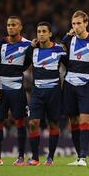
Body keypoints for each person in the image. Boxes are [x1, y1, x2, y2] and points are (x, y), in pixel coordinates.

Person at [0, 16, 31, 166]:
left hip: (17, 89)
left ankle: (20, 158)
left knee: (20, 121)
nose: (10, 27)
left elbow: (30, 63)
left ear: (20, 27)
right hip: (1, 88)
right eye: (8, 25)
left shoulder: (28, 45)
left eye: (13, 25)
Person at [62, 10, 89, 167]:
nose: (76, 26)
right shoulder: (68, 39)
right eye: (73, 23)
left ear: (86, 23)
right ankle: (79, 156)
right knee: (73, 120)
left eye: (79, 23)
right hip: (69, 84)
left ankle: (84, 157)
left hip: (85, 85)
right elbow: (61, 56)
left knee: (85, 119)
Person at [25, 22, 67, 166]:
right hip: (37, 92)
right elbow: (24, 65)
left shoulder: (60, 50)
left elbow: (71, 66)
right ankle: (35, 157)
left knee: (53, 124)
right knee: (33, 123)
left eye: (44, 31)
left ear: (50, 34)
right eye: (38, 31)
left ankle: (50, 158)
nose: (41, 34)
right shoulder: (32, 50)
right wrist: (30, 46)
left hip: (54, 92)